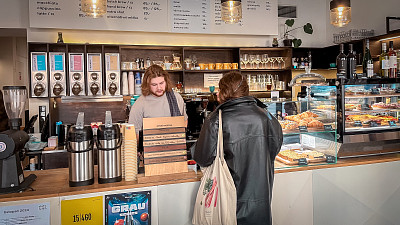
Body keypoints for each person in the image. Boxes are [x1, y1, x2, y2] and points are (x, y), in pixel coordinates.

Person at [193, 71, 283, 225]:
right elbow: (275, 147)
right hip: (262, 202)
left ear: (224, 92)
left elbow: (203, 158)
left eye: (219, 90)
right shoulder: (266, 115)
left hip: (229, 203)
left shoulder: (217, 119)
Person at [128, 64, 187, 135]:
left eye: (161, 83)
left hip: (174, 144)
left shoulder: (176, 98)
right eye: (154, 85)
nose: (159, 88)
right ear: (147, 85)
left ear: (166, 81)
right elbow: (133, 134)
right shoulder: (139, 104)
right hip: (150, 145)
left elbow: (184, 121)